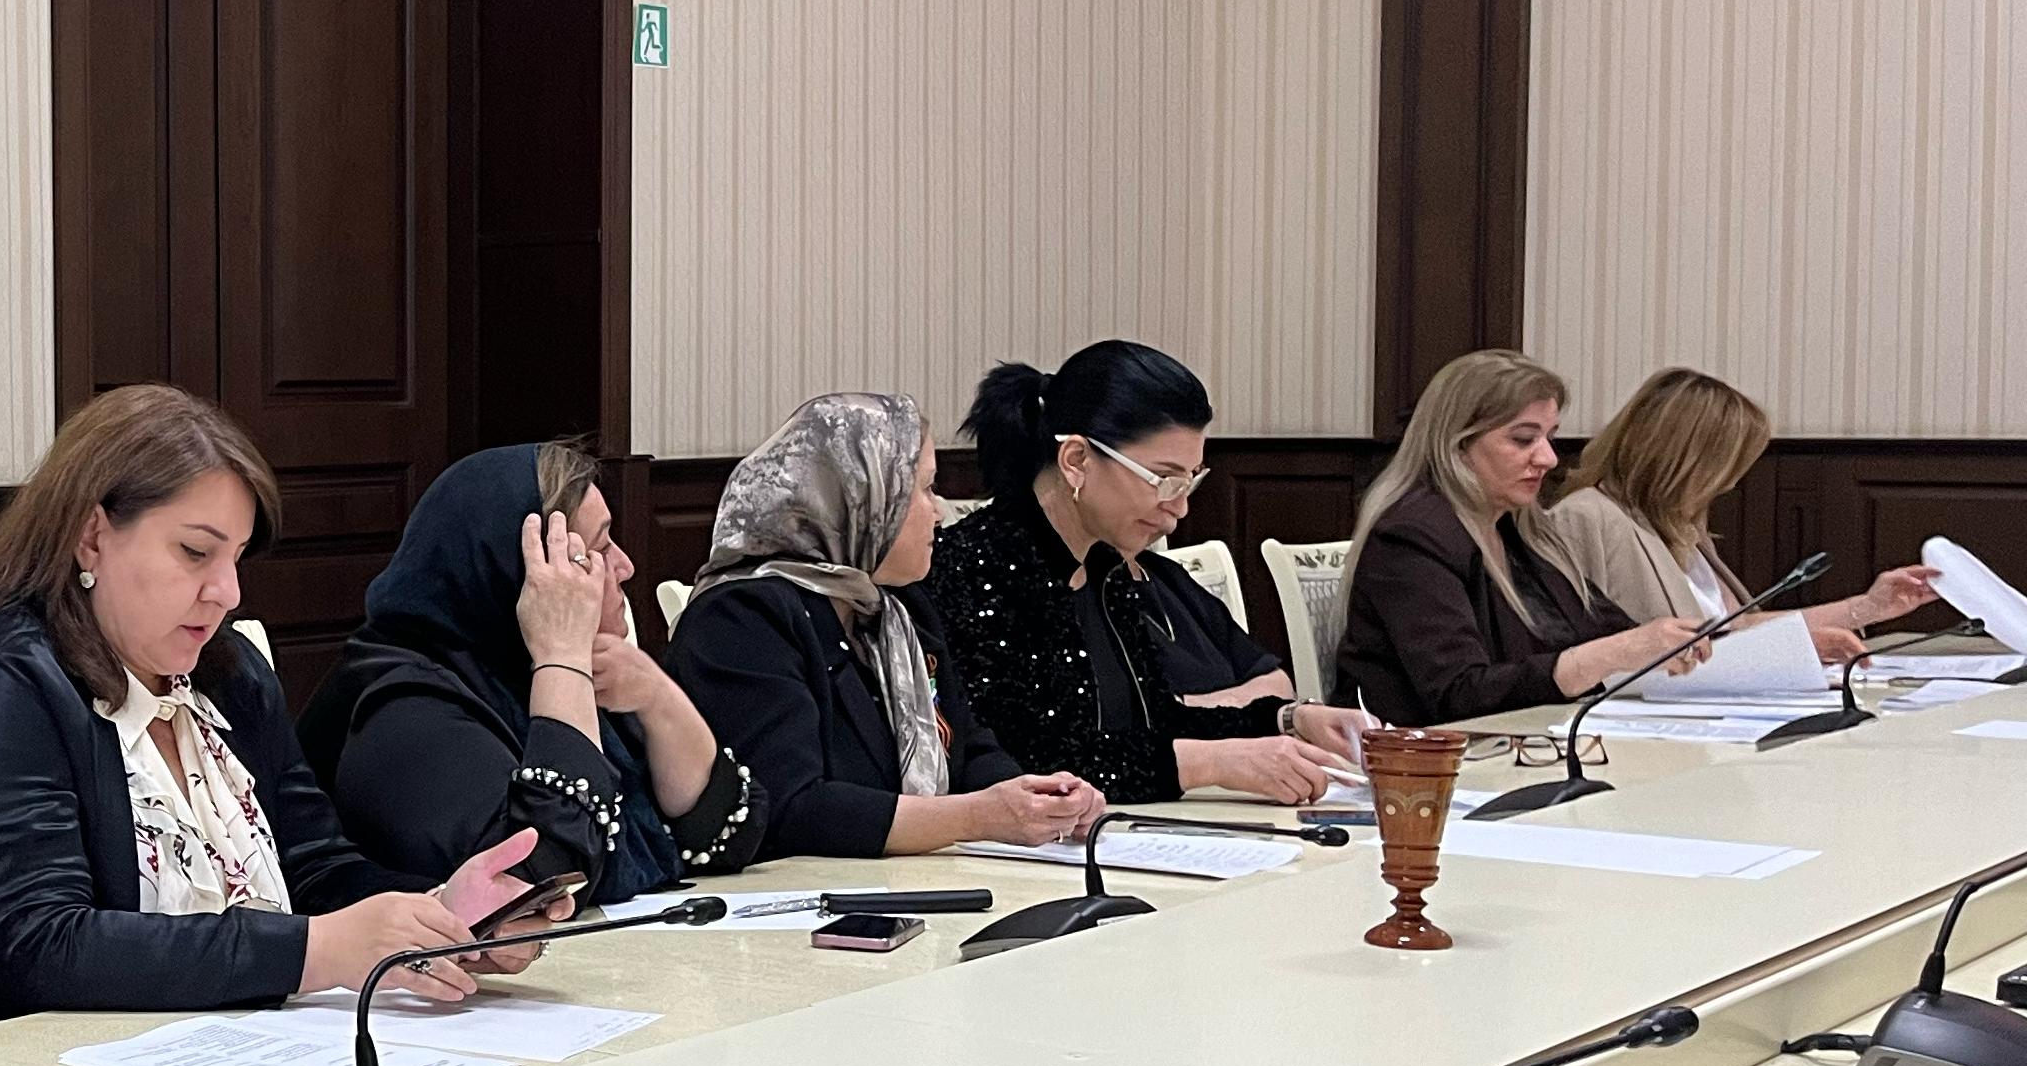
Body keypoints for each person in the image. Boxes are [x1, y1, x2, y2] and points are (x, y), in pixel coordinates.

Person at [0, 387, 545, 1028]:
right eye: (196, 553)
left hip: (236, 1047)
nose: (228, 591)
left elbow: (315, 869)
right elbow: (44, 945)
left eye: (237, 557)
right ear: (91, 536)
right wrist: (315, 952)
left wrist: (440, 915)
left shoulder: (230, 674)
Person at [299, 439, 762, 898]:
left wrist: (659, 699)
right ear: (525, 576)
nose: (625, 566)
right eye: (599, 548)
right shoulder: (405, 713)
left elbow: (726, 834)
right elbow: (541, 879)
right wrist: (561, 657)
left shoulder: (541, 670)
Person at [672, 393, 1103, 859]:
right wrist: (977, 817)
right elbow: (791, 809)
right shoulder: (741, 618)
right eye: (926, 490)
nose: (939, 512)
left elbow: (965, 748)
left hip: (903, 880)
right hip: (801, 891)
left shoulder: (897, 607)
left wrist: (1042, 800)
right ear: (865, 498)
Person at [929, 344, 1366, 803]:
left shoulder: (1105, 568)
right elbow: (1026, 758)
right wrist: (1212, 763)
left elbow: (1153, 721)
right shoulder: (970, 568)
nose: (1180, 507)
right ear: (1076, 460)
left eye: (1189, 481)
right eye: (1163, 479)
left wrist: (1287, 720)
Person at [1331, 349, 1709, 723]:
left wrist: (1664, 645)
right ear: (1457, 446)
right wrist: (1609, 655)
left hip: (1519, 740)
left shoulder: (1519, 530)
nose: (1549, 458)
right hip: (1419, 752)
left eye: (1549, 437)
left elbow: (1604, 631)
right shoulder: (1412, 537)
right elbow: (1457, 693)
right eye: (1524, 439)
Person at [1548, 366, 1936, 667]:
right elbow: (1606, 653)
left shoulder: (1679, 524)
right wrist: (1783, 652)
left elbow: (1737, 627)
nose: (1731, 483)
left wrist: (1868, 607)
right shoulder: (1587, 517)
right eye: (1724, 467)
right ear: (1679, 460)